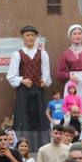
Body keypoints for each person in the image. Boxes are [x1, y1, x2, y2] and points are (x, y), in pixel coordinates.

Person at [7, 24, 51, 152]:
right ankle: (23, 148)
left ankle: (40, 148)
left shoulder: (43, 54)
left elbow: (46, 74)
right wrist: (21, 80)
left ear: (36, 37)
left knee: (39, 119)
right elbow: (11, 76)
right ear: (22, 37)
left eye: (32, 35)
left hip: (38, 92)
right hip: (24, 92)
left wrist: (45, 81)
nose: (30, 38)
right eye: (27, 35)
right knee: (24, 118)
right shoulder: (17, 54)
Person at [54, 24, 82, 129]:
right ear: (70, 37)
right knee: (72, 103)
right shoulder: (65, 54)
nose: (77, 36)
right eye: (74, 34)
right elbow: (59, 73)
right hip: (72, 83)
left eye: (79, 33)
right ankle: (71, 126)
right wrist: (69, 76)